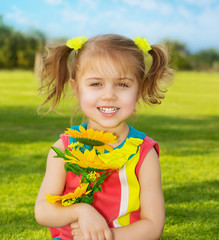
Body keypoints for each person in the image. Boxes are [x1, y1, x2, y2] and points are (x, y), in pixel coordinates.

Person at [35, 34, 174, 240]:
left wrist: (103, 236)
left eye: (123, 84)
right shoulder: (64, 148)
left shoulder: (143, 153)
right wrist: (81, 211)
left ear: (138, 91)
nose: (109, 95)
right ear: (77, 89)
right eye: (96, 84)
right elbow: (43, 212)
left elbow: (153, 227)